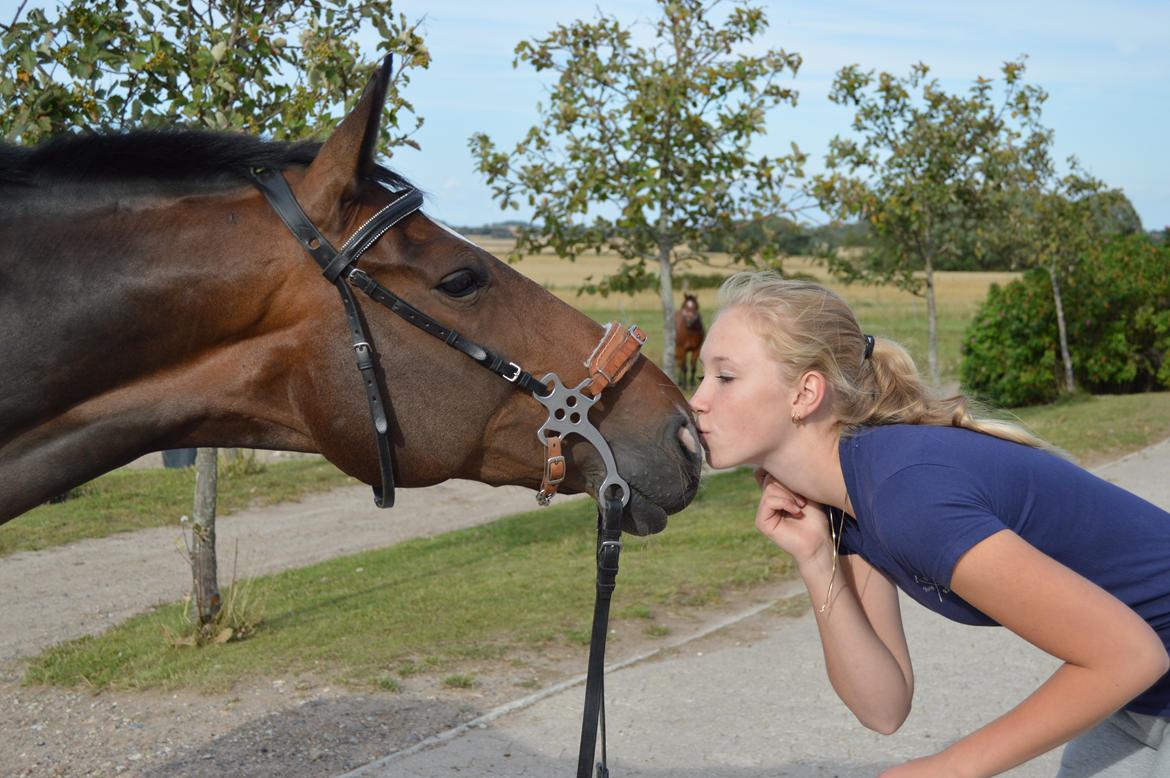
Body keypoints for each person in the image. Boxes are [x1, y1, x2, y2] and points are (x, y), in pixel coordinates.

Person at [688, 271, 1170, 777]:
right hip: (1137, 705)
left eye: (724, 377)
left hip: (1137, 677)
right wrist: (814, 560)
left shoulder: (906, 491)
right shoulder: (847, 499)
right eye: (702, 376)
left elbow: (1129, 655)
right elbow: (883, 706)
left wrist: (950, 767)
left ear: (805, 393)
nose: (697, 400)